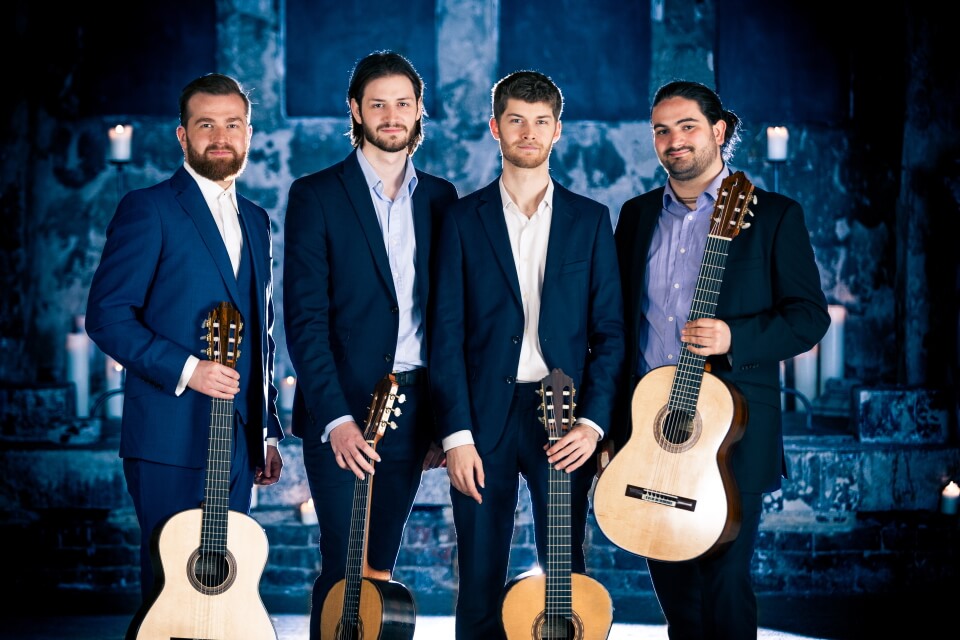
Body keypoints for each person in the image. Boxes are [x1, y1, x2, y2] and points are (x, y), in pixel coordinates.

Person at [610, 80, 830, 639]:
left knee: (725, 588)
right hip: (652, 432)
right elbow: (615, 325)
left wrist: (735, 337)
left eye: (686, 127)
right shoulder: (636, 217)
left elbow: (809, 317)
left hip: (732, 432)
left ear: (718, 131)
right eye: (662, 130)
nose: (673, 140)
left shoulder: (774, 215)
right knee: (675, 593)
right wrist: (616, 427)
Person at [428, 70, 625, 640]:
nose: (528, 132)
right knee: (480, 575)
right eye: (516, 119)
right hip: (483, 418)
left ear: (557, 131)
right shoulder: (463, 221)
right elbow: (446, 334)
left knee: (567, 571)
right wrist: (456, 436)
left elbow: (609, 332)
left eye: (541, 122)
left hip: (562, 416)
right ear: (496, 127)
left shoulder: (591, 221)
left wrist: (593, 425)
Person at [85, 73, 284, 603]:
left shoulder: (258, 220)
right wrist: (188, 369)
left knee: (222, 597)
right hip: (167, 439)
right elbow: (107, 316)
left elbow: (261, 332)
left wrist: (265, 430)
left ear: (248, 132)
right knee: (170, 596)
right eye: (206, 125)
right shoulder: (147, 209)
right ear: (182, 136)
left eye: (233, 124)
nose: (221, 136)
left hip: (238, 444)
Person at [282, 50, 458, 638]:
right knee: (342, 570)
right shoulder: (316, 194)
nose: (391, 115)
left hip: (412, 407)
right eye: (377, 103)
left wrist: (442, 419)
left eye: (402, 104)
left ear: (418, 113)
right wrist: (334, 418)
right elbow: (304, 319)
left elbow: (447, 318)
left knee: (380, 564)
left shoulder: (441, 198)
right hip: (341, 407)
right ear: (355, 110)